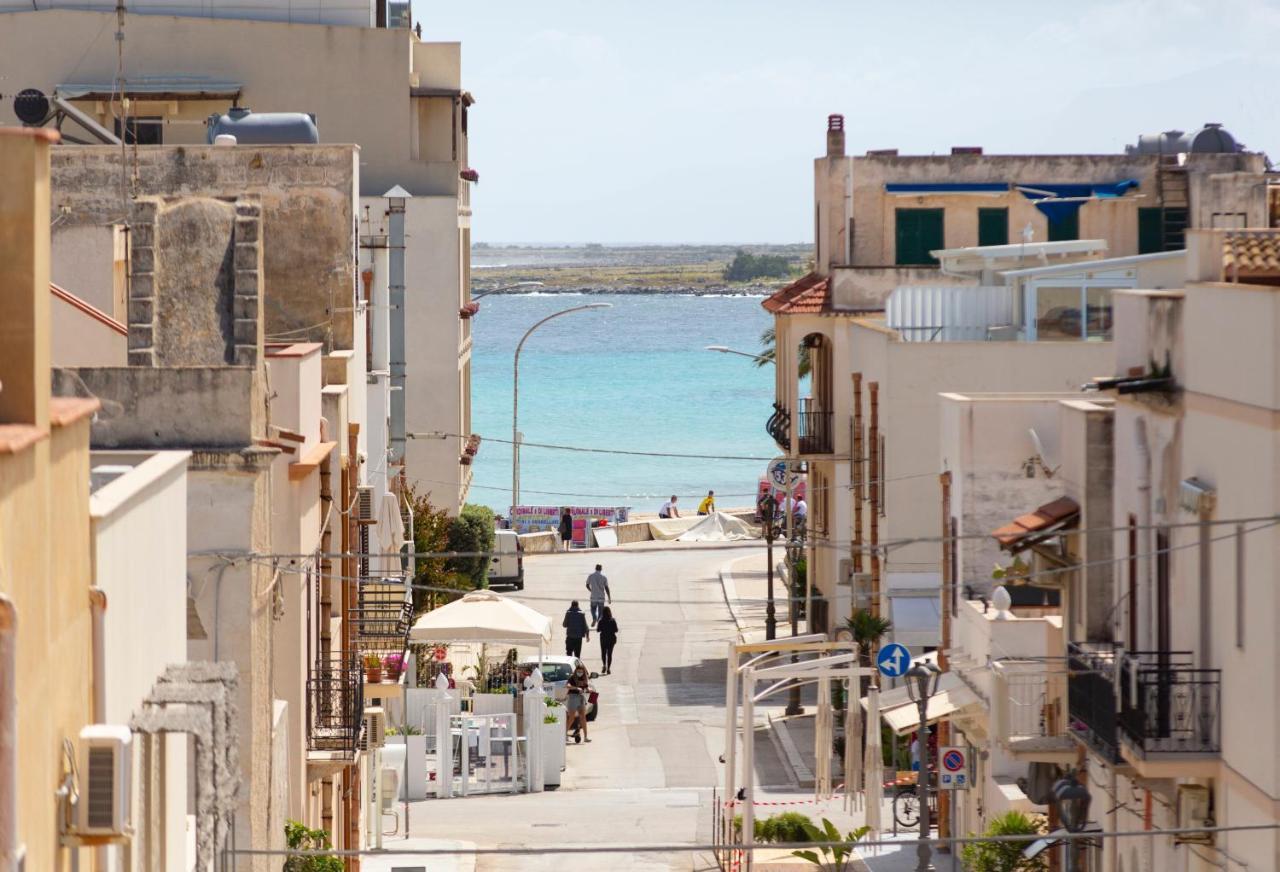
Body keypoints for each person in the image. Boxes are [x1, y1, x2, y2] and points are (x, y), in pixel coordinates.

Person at [565, 662, 592, 743]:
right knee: (571, 717)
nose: (579, 673)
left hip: (581, 698)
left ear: (583, 671)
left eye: (581, 671)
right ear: (576, 671)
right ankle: (564, 735)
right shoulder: (572, 678)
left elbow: (586, 688)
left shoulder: (584, 678)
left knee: (583, 717)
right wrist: (576, 688)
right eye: (578, 671)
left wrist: (588, 690)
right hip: (573, 697)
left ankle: (586, 737)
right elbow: (567, 685)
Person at [597, 606, 619, 674]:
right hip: (611, 639)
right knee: (609, 654)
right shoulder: (612, 620)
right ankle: (609, 668)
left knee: (603, 653)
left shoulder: (601, 620)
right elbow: (616, 630)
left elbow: (598, 630)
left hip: (603, 638)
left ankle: (604, 665)